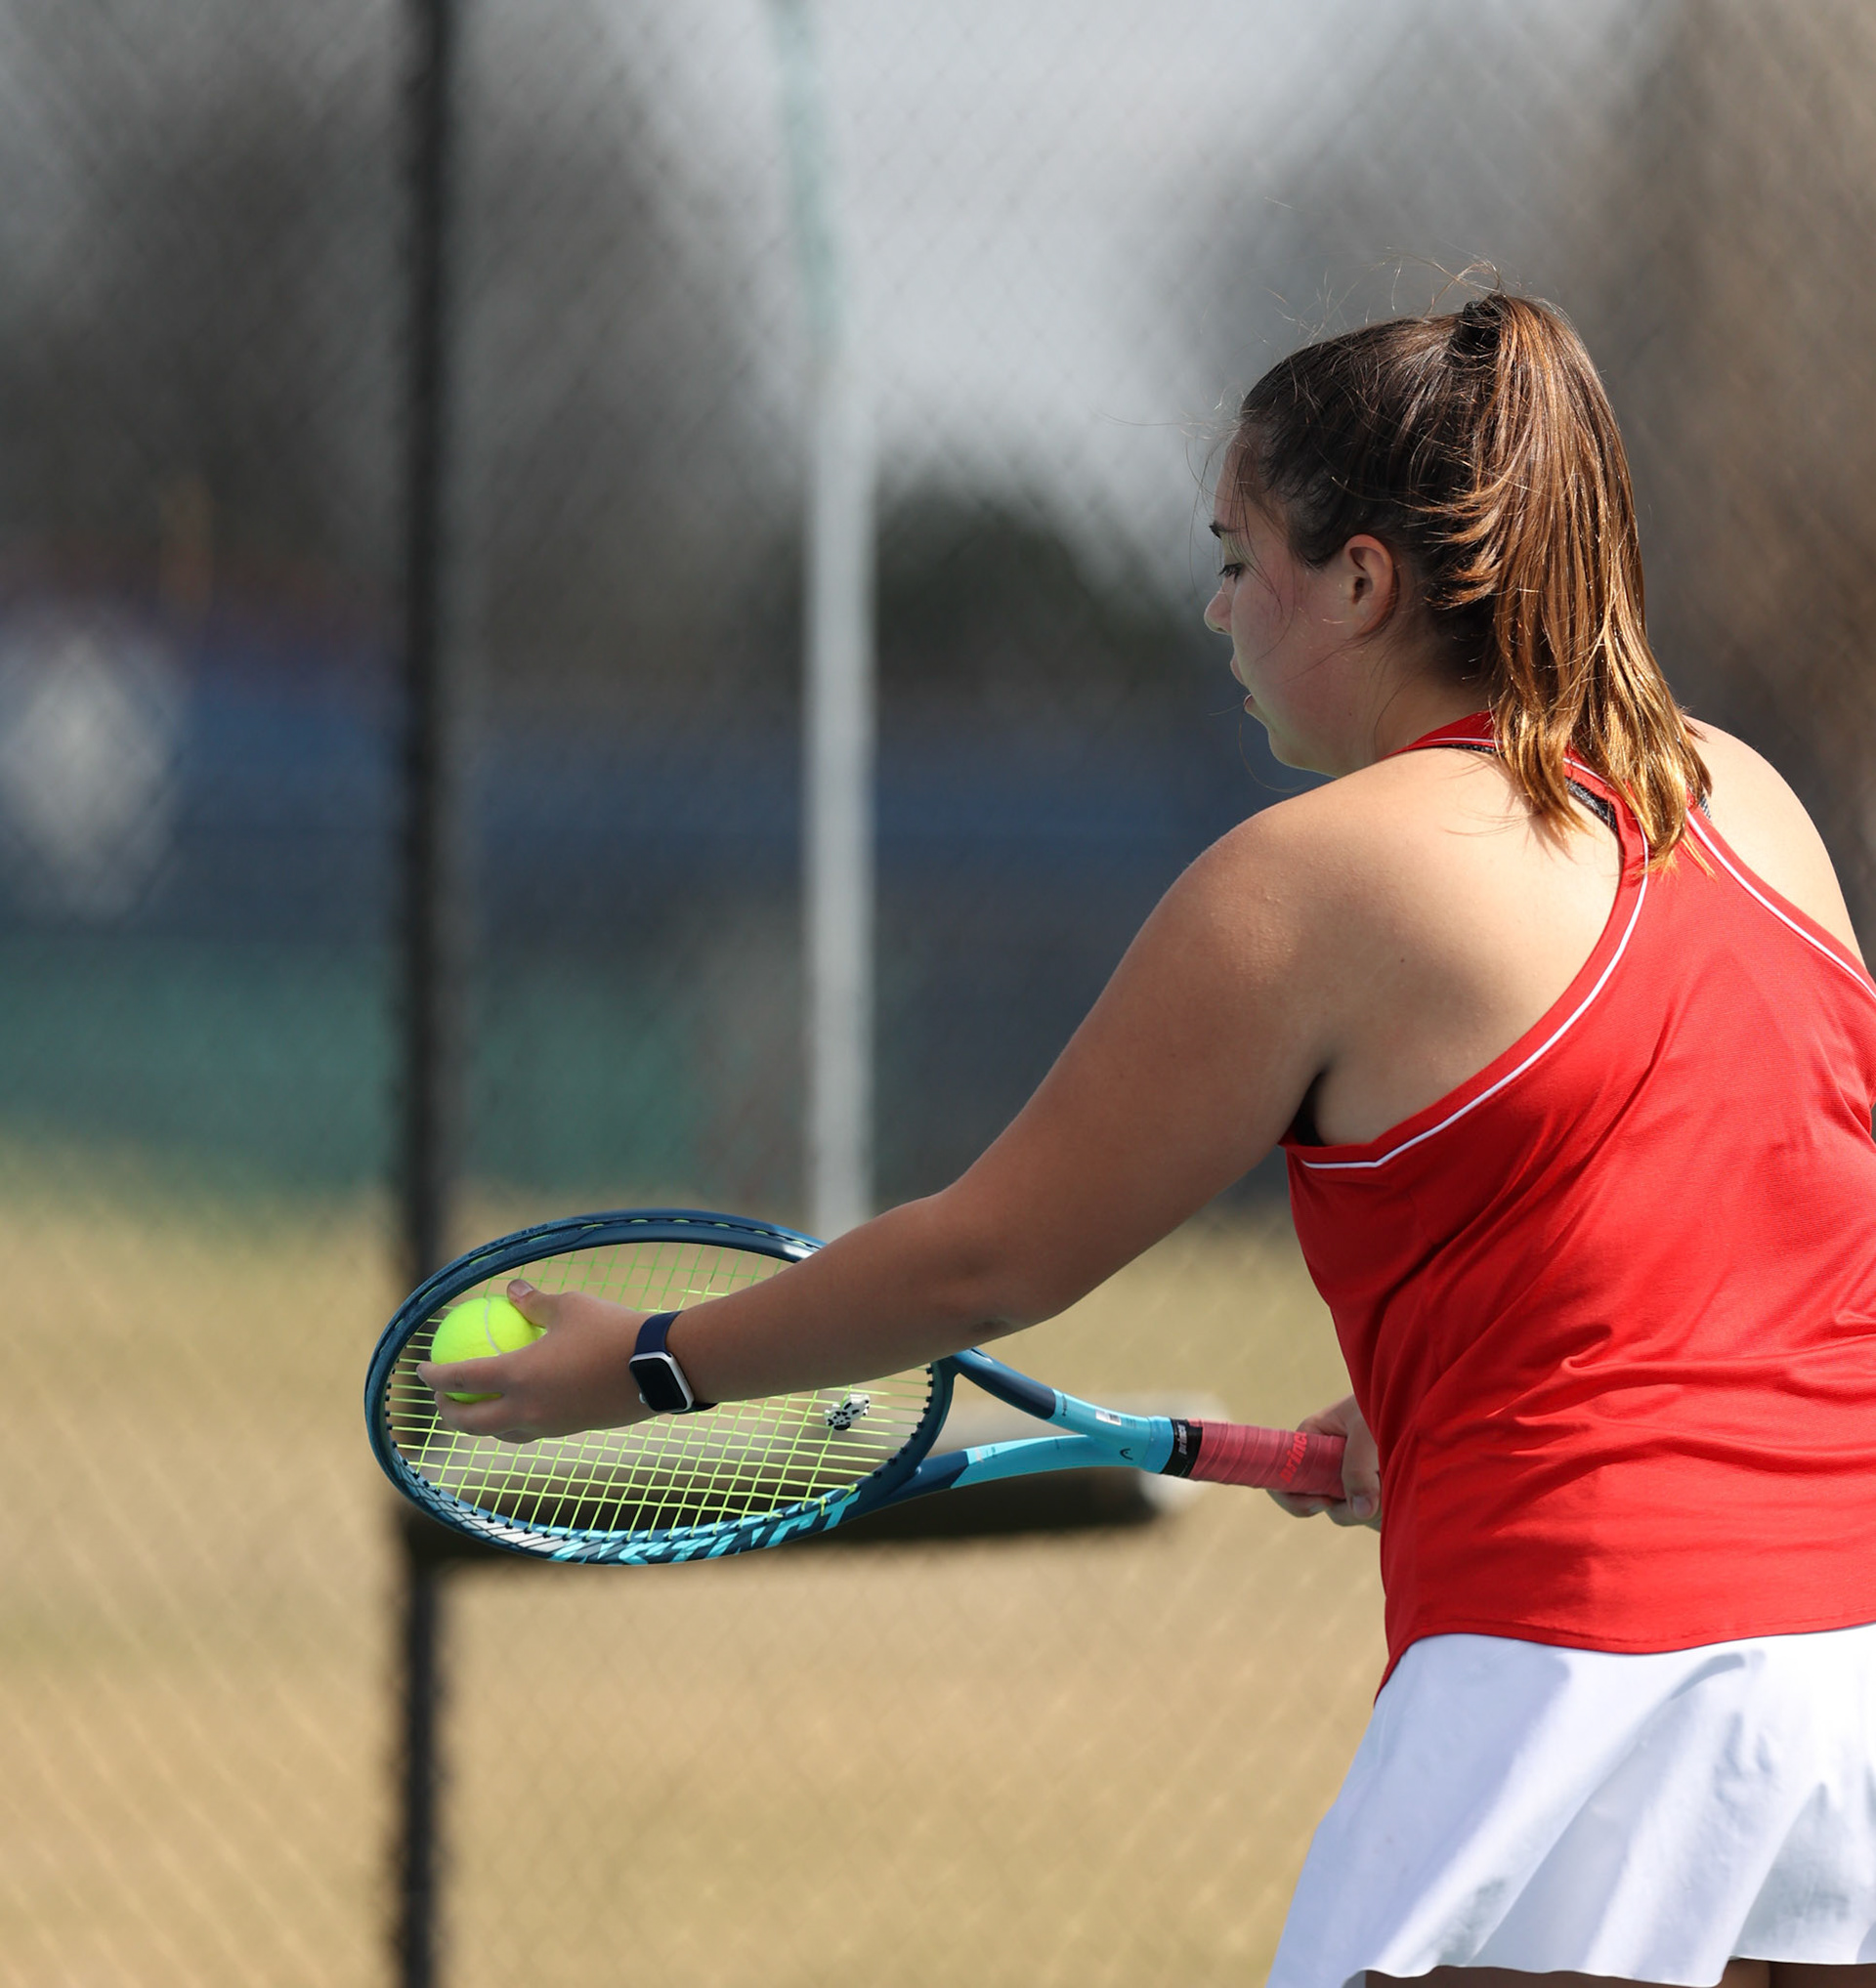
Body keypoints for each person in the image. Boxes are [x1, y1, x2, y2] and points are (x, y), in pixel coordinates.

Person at [423, 292, 1876, 1987]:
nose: (1215, 607)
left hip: (1578, 1690)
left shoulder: (1315, 879)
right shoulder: (1749, 800)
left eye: (1240, 556)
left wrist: (652, 1363)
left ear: (1360, 582)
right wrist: (1452, 1395)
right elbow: (1783, 1229)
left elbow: (992, 1255)